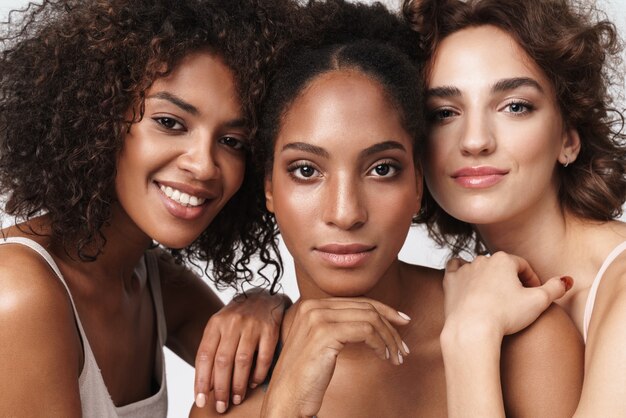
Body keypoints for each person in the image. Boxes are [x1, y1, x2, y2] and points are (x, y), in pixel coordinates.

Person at [190, 1, 583, 416]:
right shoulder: (230, 391)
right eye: (306, 170)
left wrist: (473, 341)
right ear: (268, 186)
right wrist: (284, 406)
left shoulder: (523, 339)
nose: (345, 213)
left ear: (417, 183)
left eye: (381, 169)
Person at [0, 0, 297, 416]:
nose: (204, 164)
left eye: (233, 141)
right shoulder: (18, 294)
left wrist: (265, 304)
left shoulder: (150, 279)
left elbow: (272, 373)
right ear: (100, 115)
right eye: (170, 122)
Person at [402, 0, 626, 415]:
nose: (475, 140)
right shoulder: (477, 288)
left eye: (515, 106)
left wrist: (470, 339)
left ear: (569, 137)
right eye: (444, 113)